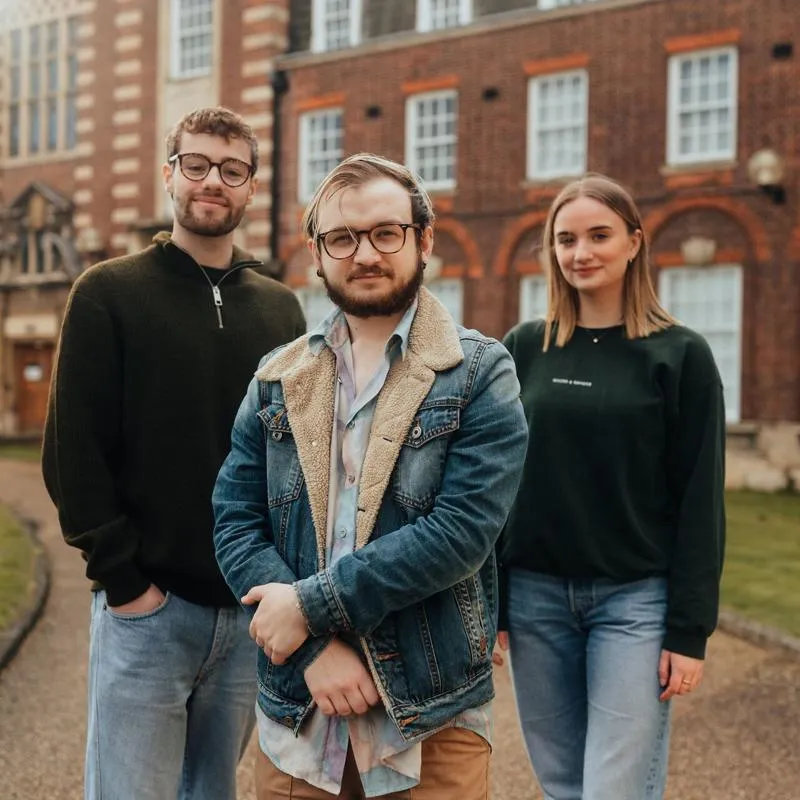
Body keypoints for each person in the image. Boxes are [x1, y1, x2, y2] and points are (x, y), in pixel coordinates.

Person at [212, 153, 528, 799]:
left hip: (428, 718)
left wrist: (305, 607)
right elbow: (235, 523)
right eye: (342, 238)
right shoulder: (277, 376)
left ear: (424, 239)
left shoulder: (478, 373)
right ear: (316, 253)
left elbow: (459, 534)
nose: (365, 254)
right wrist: (309, 651)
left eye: (386, 232)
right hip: (299, 724)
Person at [42, 106, 306, 800]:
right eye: (196, 164)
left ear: (251, 186)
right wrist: (127, 587)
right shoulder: (107, 293)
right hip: (147, 613)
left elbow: (293, 460)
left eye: (231, 169)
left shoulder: (282, 312)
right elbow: (73, 452)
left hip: (248, 613)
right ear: (170, 175)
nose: (212, 181)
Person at [496, 173, 726, 800]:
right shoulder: (525, 349)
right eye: (565, 239)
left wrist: (688, 630)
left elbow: (700, 499)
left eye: (599, 235)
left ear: (634, 242)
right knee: (562, 783)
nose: (581, 253)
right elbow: (493, 484)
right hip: (535, 601)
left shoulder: (680, 356)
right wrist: (493, 601)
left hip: (635, 604)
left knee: (613, 790)